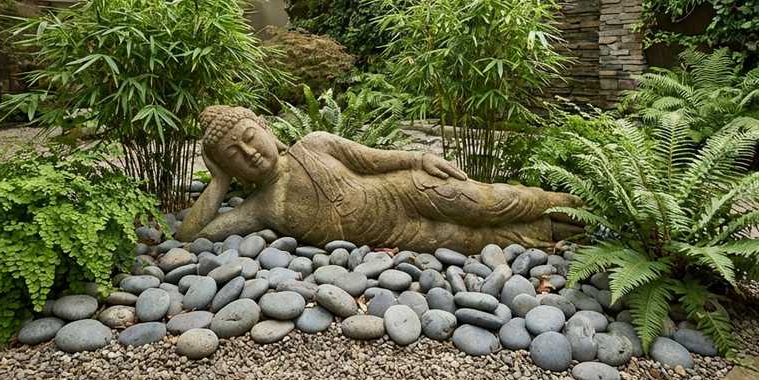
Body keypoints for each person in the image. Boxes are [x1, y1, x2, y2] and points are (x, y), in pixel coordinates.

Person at [177, 105, 583, 253]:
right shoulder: (263, 207)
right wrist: (218, 184)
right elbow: (191, 236)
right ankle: (564, 232)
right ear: (229, 168)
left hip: (407, 188)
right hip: (400, 233)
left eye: (250, 138)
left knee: (488, 203)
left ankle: (577, 204)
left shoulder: (315, 143)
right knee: (478, 242)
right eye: (234, 155)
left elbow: (374, 161)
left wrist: (420, 158)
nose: (250, 153)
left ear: (264, 127)